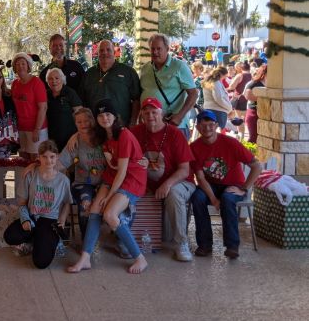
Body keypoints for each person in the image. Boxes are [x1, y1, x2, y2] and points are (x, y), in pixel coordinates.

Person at [68, 99, 147, 274]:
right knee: (94, 210)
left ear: (115, 116)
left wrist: (109, 197)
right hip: (111, 177)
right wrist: (75, 135)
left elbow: (122, 171)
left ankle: (139, 258)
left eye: (108, 114)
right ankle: (85, 258)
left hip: (131, 178)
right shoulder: (102, 135)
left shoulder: (124, 135)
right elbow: (84, 132)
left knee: (110, 214)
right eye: (101, 115)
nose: (104, 118)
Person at [130, 98, 196, 261]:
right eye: (146, 112)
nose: (150, 116)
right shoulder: (135, 132)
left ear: (162, 114)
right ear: (142, 115)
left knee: (173, 193)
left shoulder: (175, 134)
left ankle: (181, 243)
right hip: (149, 183)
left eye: (154, 112)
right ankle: (128, 240)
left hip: (180, 181)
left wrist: (167, 184)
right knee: (125, 190)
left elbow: (184, 170)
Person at [190, 110, 262, 259]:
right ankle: (204, 245)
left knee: (228, 200)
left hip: (234, 186)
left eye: (210, 124)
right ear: (197, 127)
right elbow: (200, 177)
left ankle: (232, 246)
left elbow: (256, 166)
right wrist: (214, 199)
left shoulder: (230, 143)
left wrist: (244, 188)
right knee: (197, 198)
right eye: (203, 125)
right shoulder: (195, 147)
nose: (207, 128)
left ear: (216, 125)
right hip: (210, 186)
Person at [4, 140, 72, 269]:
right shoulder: (31, 174)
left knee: (41, 262)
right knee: (10, 236)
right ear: (38, 158)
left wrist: (62, 220)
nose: (48, 161)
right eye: (44, 157)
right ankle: (35, 239)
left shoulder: (63, 180)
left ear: (57, 157)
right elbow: (22, 202)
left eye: (52, 157)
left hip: (50, 220)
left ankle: (46, 241)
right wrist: (25, 220)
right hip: (32, 216)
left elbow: (67, 203)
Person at [139, 33, 198, 139]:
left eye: (159, 49)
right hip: (150, 126)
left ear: (167, 48)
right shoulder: (145, 68)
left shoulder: (179, 66)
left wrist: (180, 116)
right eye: (152, 49)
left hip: (174, 125)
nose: (155, 52)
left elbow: (193, 94)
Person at [59, 108, 105, 237]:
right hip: (83, 183)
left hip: (105, 183)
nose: (83, 124)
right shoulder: (75, 142)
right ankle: (87, 241)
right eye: (79, 122)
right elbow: (59, 164)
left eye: (86, 120)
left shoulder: (103, 137)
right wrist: (37, 166)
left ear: (93, 120)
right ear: (75, 124)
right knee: (86, 204)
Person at [78, 39, 141, 127]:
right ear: (97, 53)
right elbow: (82, 102)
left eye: (108, 50)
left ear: (114, 52)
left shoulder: (128, 72)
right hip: (96, 129)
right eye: (101, 50)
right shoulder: (89, 74)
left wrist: (133, 122)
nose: (105, 53)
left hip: (121, 127)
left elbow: (136, 99)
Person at [11, 52, 48, 160]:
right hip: (20, 128)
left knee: (36, 159)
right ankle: (25, 178)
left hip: (36, 128)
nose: (20, 66)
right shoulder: (15, 84)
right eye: (17, 64)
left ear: (28, 66)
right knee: (23, 157)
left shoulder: (36, 82)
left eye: (23, 63)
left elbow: (43, 108)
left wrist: (37, 129)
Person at [45, 67, 82, 151]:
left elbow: (80, 115)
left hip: (70, 137)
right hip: (51, 138)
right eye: (50, 79)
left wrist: (77, 135)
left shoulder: (70, 93)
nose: (54, 81)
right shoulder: (46, 94)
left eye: (57, 78)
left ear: (62, 79)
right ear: (47, 82)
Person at [227, 61, 251, 137]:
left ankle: (241, 139)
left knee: (240, 121)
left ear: (241, 68)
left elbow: (232, 87)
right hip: (249, 100)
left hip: (239, 100)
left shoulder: (240, 76)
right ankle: (240, 136)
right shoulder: (253, 75)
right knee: (242, 120)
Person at [244, 64, 266, 143]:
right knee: (253, 137)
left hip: (265, 114)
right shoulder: (254, 83)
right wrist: (264, 98)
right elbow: (247, 95)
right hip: (254, 113)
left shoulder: (271, 83)